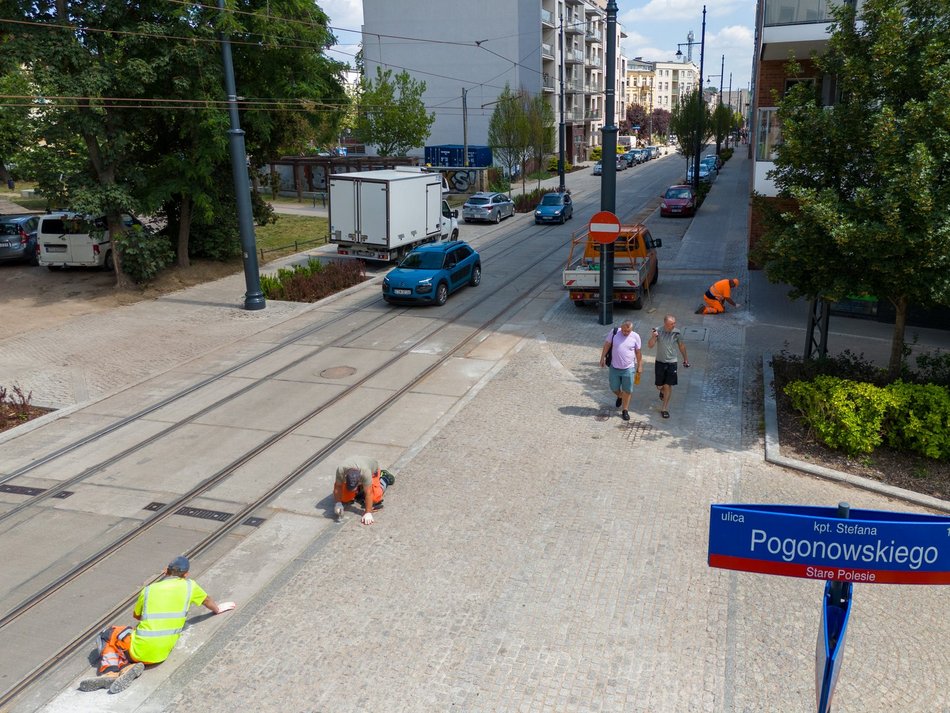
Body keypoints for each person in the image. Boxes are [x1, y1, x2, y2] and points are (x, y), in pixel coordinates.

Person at [79, 556, 235, 694]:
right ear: (186, 574)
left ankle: (111, 672)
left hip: (139, 650)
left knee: (109, 634)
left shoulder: (148, 590)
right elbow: (207, 600)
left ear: (165, 571)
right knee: (129, 639)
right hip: (161, 654)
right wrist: (218, 609)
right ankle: (128, 669)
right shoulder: (190, 586)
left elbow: (137, 616)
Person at [647, 315, 690, 419]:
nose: (674, 325)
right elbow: (650, 345)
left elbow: (681, 346)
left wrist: (685, 359)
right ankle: (661, 391)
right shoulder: (657, 331)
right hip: (660, 362)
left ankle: (664, 408)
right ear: (665, 324)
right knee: (659, 386)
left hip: (672, 362)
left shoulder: (677, 333)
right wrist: (653, 337)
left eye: (674, 323)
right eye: (672, 324)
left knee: (668, 386)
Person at [599, 319, 642, 422]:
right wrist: (602, 358)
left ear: (631, 329)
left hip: (629, 368)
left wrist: (640, 365)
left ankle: (625, 410)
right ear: (621, 328)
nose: (625, 333)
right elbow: (607, 345)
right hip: (614, 367)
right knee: (613, 387)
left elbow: (638, 352)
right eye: (623, 330)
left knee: (628, 390)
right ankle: (620, 395)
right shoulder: (614, 332)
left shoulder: (636, 336)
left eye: (628, 331)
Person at [333, 456, 393, 525]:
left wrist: (368, 512)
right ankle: (359, 490)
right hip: (358, 469)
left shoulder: (366, 472)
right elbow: (338, 487)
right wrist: (338, 503)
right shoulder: (341, 470)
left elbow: (369, 493)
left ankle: (384, 478)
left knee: (375, 498)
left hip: (372, 471)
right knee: (344, 498)